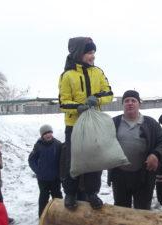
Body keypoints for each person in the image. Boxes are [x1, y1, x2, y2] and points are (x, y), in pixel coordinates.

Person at [58, 36, 113, 210]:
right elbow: (63, 102)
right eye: (89, 52)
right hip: (74, 125)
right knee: (73, 161)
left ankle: (92, 193)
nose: (93, 56)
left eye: (93, 52)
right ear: (79, 53)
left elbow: (109, 93)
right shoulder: (67, 75)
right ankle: (71, 194)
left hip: (94, 124)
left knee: (94, 161)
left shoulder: (98, 72)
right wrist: (78, 107)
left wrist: (95, 99)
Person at [108, 90, 162, 209]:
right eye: (126, 101)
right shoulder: (113, 122)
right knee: (121, 210)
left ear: (139, 104)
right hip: (120, 176)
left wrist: (156, 155)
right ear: (122, 104)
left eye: (133, 100)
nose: (130, 103)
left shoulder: (150, 123)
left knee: (142, 210)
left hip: (143, 177)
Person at [28, 124, 63, 218]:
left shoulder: (58, 144)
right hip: (43, 178)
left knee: (57, 197)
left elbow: (62, 160)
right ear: (42, 135)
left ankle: (60, 216)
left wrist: (61, 173)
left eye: (50, 132)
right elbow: (31, 159)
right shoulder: (38, 145)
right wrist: (38, 171)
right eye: (46, 133)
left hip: (55, 178)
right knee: (43, 197)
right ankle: (42, 216)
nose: (48, 135)